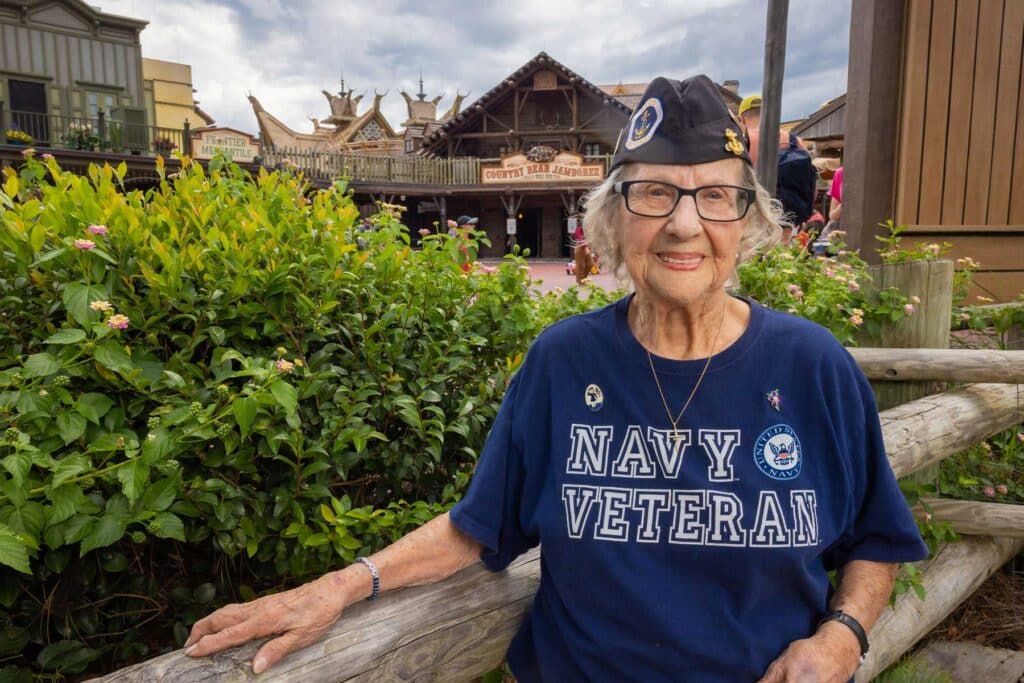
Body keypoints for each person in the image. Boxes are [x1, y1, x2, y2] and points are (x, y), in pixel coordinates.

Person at [184, 75, 928, 681]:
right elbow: (476, 526)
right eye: (653, 193)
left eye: (714, 196)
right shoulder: (565, 361)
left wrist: (845, 634)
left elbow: (877, 539)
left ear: (747, 219)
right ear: (612, 220)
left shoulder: (812, 366)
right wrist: (339, 585)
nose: (682, 224)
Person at [738, 94, 817, 232]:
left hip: (756, 223)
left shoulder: (742, 142)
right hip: (790, 222)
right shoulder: (795, 141)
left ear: (742, 119)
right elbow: (812, 186)